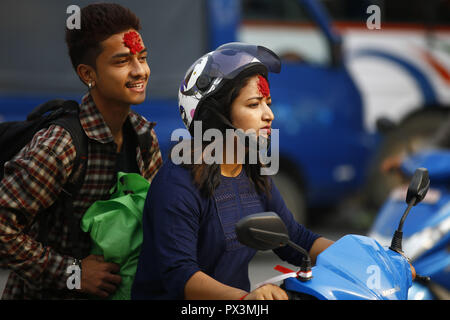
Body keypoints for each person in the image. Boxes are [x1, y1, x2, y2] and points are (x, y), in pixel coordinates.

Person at [131, 43, 334, 300]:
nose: (269, 115)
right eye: (253, 105)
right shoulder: (177, 184)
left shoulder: (252, 171)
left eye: (267, 103)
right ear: (216, 117)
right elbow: (180, 275)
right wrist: (244, 299)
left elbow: (295, 238)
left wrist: (362, 257)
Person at [0, 3, 162, 299]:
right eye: (122, 61)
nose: (140, 71)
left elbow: (159, 221)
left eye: (143, 57)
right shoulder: (61, 145)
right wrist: (73, 273)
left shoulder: (143, 136)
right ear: (88, 73)